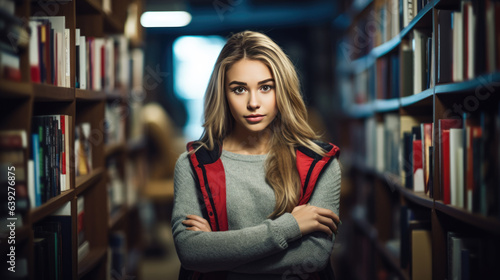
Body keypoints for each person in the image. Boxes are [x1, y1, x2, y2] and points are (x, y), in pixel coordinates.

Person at [171, 30, 342, 280]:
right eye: (239, 89)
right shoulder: (193, 164)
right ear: (223, 94)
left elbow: (312, 257)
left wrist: (216, 254)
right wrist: (291, 227)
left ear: (281, 90)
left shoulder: (319, 162)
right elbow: (191, 253)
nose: (253, 102)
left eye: (265, 87)